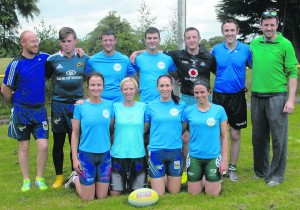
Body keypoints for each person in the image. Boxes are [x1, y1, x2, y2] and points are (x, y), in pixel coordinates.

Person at [250, 9, 298, 187]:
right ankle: (261, 171)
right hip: (256, 97)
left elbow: (293, 72)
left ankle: (276, 175)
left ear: (277, 25)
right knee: (258, 137)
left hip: (277, 97)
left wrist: (291, 99)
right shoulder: (254, 44)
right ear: (261, 25)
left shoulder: (285, 44)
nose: (269, 28)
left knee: (279, 139)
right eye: (265, 24)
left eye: (272, 24)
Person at [1, 30, 49, 192]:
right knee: (24, 146)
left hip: (40, 111)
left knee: (43, 146)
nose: (36, 44)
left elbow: (62, 55)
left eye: (37, 41)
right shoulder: (16, 64)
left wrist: (78, 51)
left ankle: (40, 179)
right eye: (32, 41)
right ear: (23, 43)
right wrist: (15, 102)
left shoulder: (44, 58)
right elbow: (5, 88)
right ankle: (26, 180)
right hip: (22, 111)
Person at [45, 27, 89, 189]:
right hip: (58, 105)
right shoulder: (52, 60)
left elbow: (91, 79)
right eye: (63, 41)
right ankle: (58, 176)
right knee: (58, 142)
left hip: (77, 106)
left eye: (69, 41)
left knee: (75, 142)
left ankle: (74, 175)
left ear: (75, 41)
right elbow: (44, 77)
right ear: (59, 43)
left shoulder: (84, 58)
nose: (67, 44)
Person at [211, 19, 252, 181]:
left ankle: (232, 168)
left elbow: (253, 66)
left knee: (235, 135)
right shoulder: (215, 50)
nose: (229, 33)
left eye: (232, 30)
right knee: (218, 135)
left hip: (237, 96)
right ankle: (220, 166)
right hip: (219, 96)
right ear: (222, 32)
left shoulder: (246, 49)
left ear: (237, 31)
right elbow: (214, 69)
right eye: (226, 30)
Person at [65, 72, 113, 200]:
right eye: (92, 85)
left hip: (105, 155)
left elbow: (111, 128)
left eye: (99, 85)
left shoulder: (110, 106)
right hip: (86, 155)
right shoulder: (80, 107)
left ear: (103, 86)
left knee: (102, 196)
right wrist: (75, 158)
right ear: (87, 87)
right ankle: (75, 179)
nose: (96, 88)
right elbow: (75, 134)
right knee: (88, 199)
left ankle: (86, 180)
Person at [182, 79, 228, 196]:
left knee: (212, 194)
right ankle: (204, 177)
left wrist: (224, 161)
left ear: (209, 92)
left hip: (213, 156)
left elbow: (224, 137)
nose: (199, 95)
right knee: (194, 193)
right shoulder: (188, 111)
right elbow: (180, 131)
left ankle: (211, 178)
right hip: (194, 156)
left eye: (202, 92)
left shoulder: (219, 110)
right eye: (196, 93)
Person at [145, 75, 187, 196]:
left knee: (174, 191)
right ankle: (158, 176)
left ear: (172, 86)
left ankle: (164, 176)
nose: (165, 88)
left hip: (175, 151)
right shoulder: (150, 106)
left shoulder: (181, 105)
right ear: (157, 87)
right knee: (159, 193)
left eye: (167, 85)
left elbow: (184, 125)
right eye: (161, 86)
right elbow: (146, 128)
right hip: (156, 151)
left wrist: (176, 134)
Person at [110, 77, 147, 196]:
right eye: (125, 89)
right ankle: (74, 179)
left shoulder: (143, 107)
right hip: (118, 154)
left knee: (138, 193)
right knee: (114, 194)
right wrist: (82, 102)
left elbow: (147, 126)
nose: (128, 91)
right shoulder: (114, 107)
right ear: (121, 90)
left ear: (136, 90)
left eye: (131, 88)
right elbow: (110, 127)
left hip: (138, 154)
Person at [86, 29, 136, 102]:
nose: (108, 43)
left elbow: (134, 77)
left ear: (115, 41)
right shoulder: (92, 60)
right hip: (99, 102)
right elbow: (85, 78)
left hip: (120, 102)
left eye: (111, 40)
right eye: (105, 40)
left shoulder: (124, 60)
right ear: (101, 42)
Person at [133, 27, 177, 103]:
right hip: (145, 102)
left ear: (159, 40)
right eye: (149, 38)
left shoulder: (168, 59)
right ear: (145, 40)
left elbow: (176, 76)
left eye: (155, 38)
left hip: (163, 102)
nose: (152, 41)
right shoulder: (138, 59)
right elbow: (132, 76)